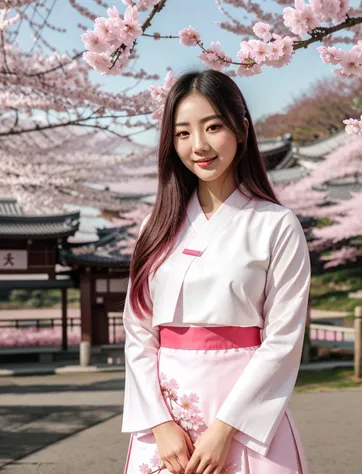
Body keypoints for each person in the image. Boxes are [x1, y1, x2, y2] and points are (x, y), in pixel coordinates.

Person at [122, 69, 311, 474]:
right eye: (183, 133)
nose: (200, 146)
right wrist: (160, 423)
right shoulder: (153, 228)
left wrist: (226, 429)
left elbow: (283, 339)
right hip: (166, 422)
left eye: (213, 127)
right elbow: (138, 334)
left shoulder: (276, 225)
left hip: (245, 416)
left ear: (241, 129)